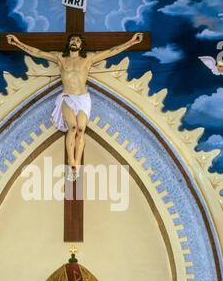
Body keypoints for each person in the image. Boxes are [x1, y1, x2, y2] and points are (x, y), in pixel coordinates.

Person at [7, 32, 143, 180]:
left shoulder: (88, 59)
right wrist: (17, 43)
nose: (75, 41)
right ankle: (71, 162)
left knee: (80, 129)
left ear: (81, 45)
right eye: (72, 39)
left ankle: (77, 164)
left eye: (78, 40)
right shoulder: (60, 58)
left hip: (83, 98)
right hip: (68, 97)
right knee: (72, 128)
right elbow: (38, 53)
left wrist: (132, 42)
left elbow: (111, 52)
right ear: (69, 43)